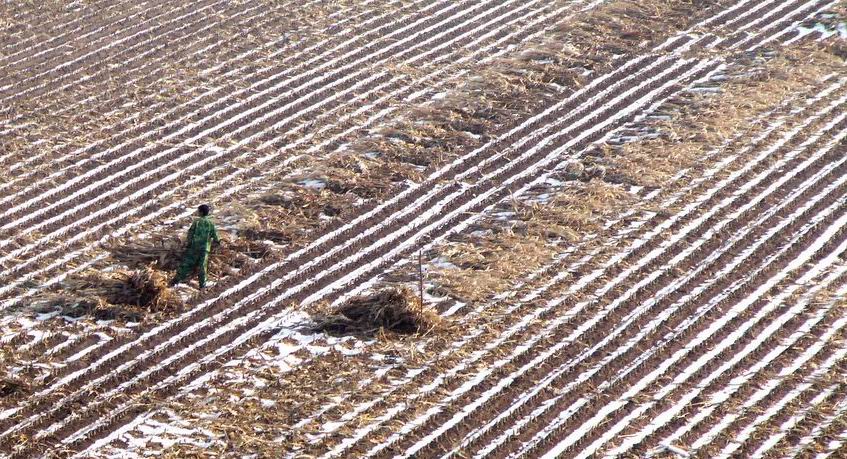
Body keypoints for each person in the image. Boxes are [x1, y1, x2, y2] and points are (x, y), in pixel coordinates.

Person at [170, 204, 220, 289]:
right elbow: (216, 237)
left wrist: (188, 244)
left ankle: (175, 281)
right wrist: (216, 244)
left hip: (194, 248)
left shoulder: (196, 222)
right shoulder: (210, 223)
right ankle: (202, 286)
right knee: (202, 267)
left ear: (200, 212)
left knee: (186, 265)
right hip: (204, 249)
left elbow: (190, 234)